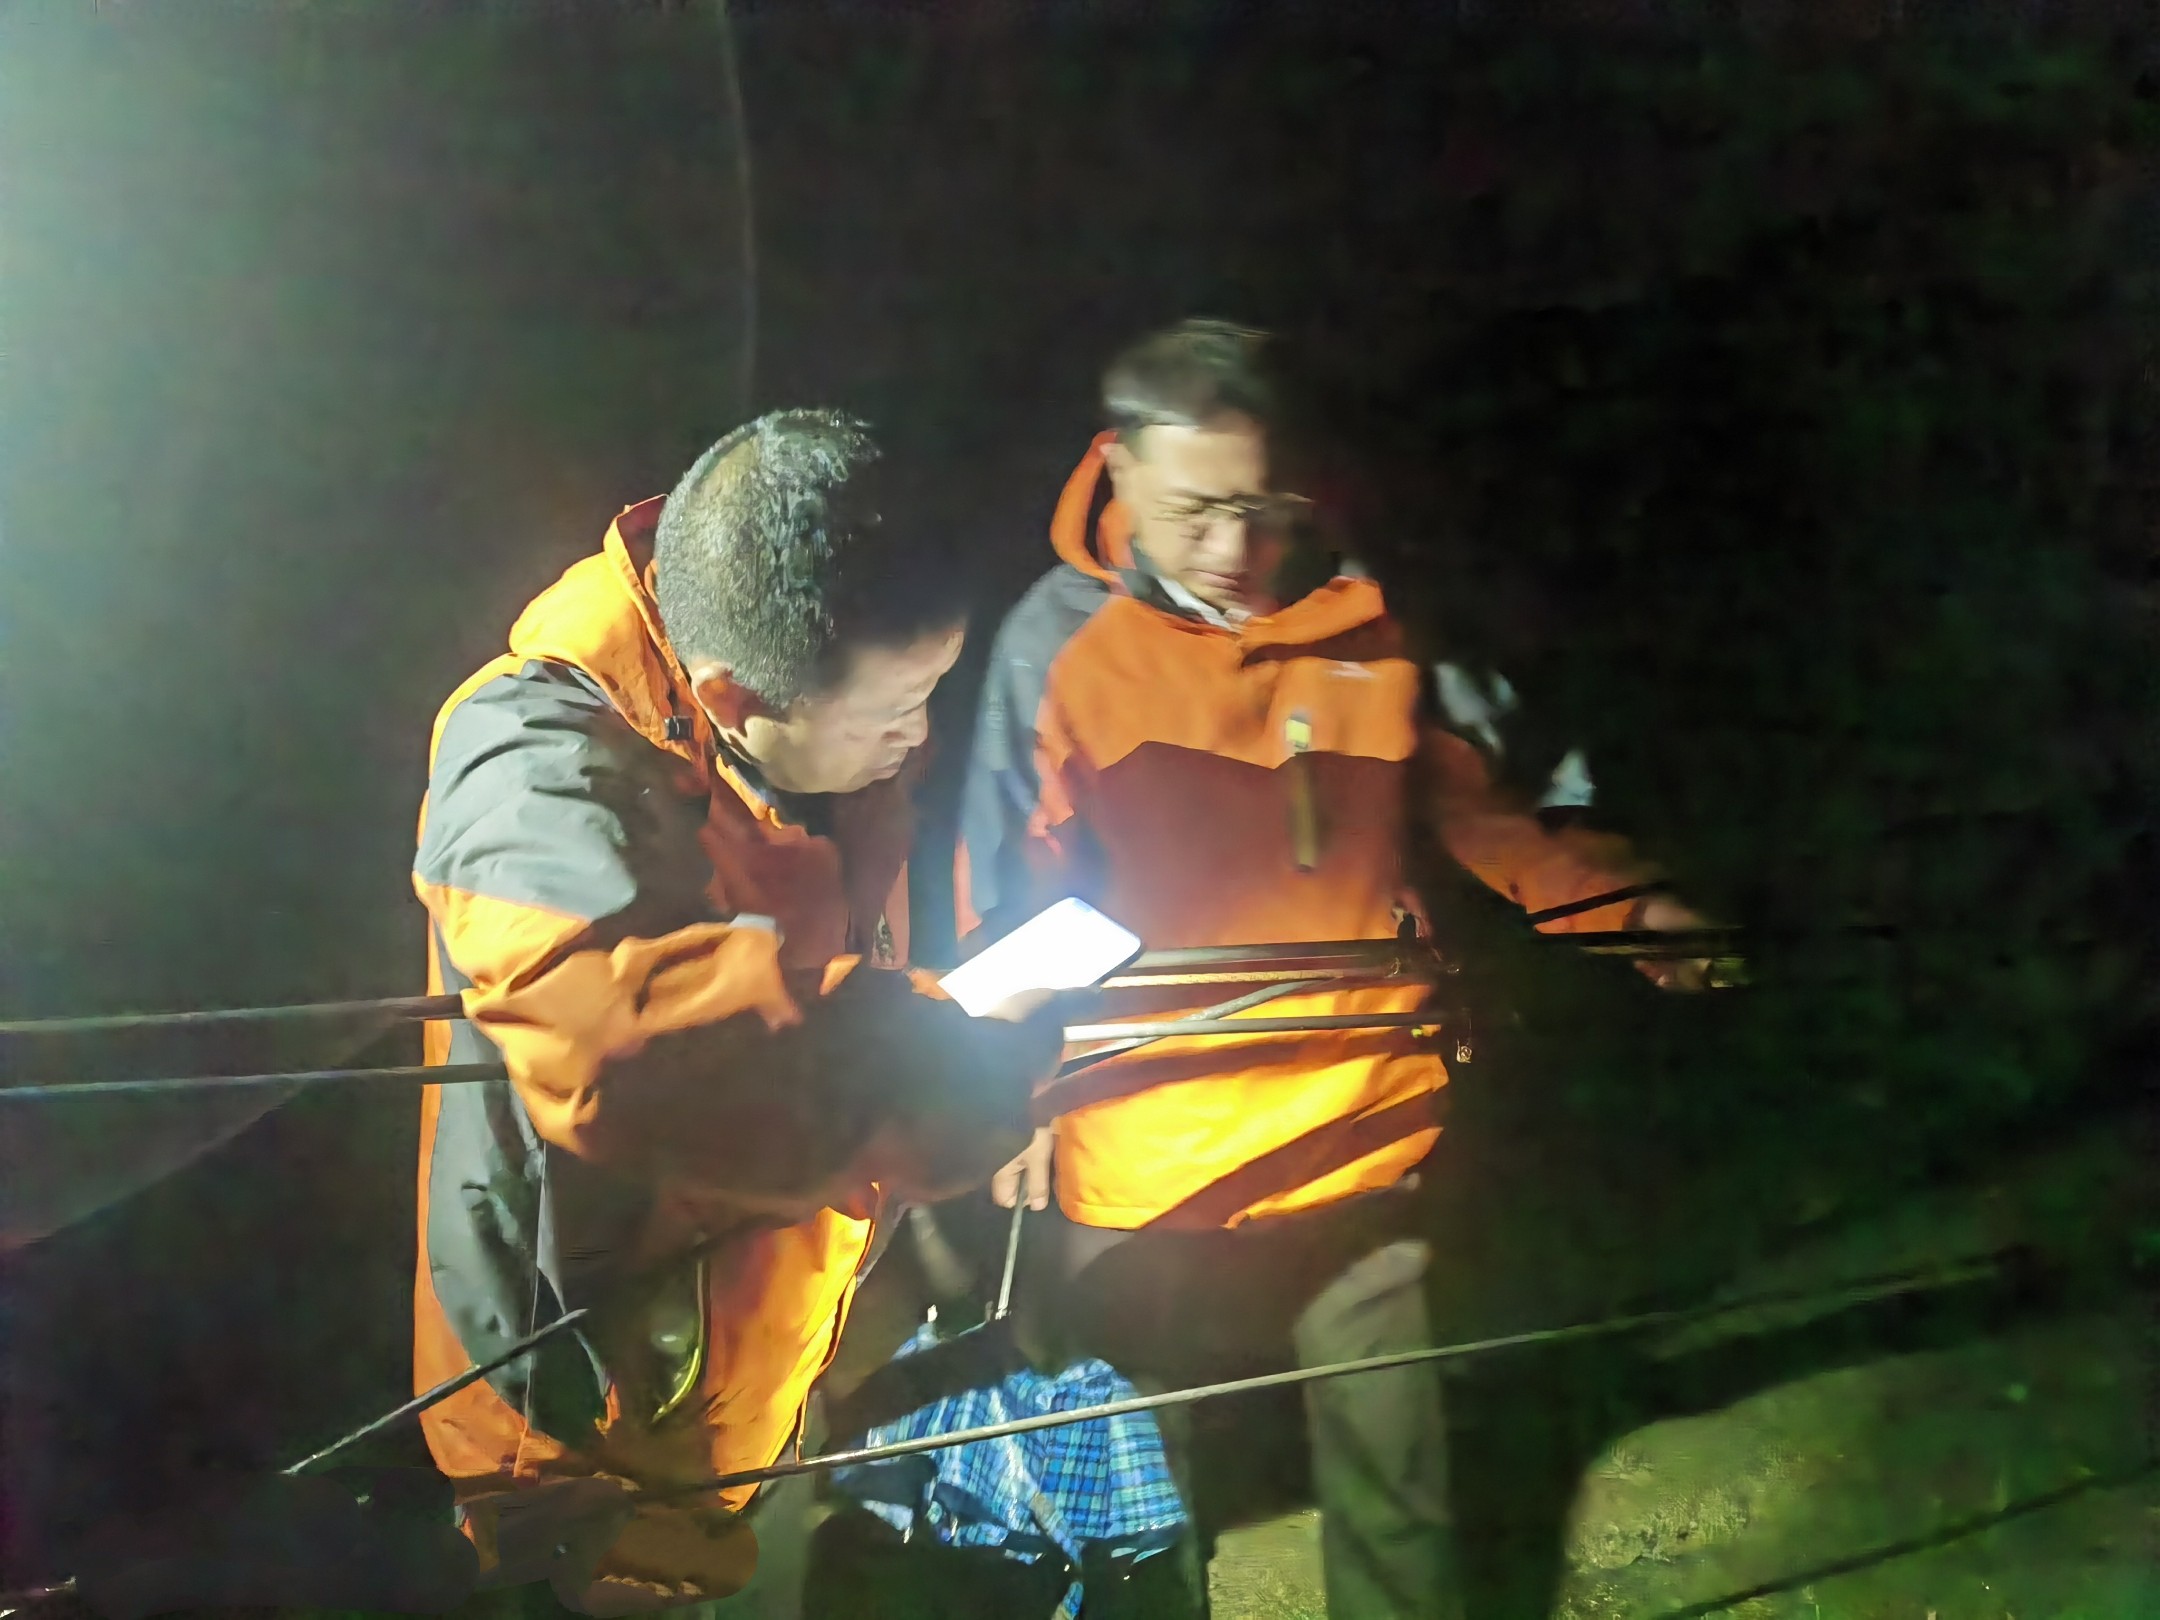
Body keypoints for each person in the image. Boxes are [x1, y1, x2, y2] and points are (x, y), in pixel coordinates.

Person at [955, 321, 1710, 1619]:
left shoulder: (1378, 620)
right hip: (1145, 1149)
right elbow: (1007, 889)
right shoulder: (1057, 647)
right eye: (1194, 510)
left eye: (1264, 508)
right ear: (1119, 468)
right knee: (1140, 1508)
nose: (1232, 549)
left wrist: (1635, 913)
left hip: (1362, 1121)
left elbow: (1496, 811)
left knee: (1398, 1488)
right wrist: (1002, 1092)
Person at [412, 410, 1065, 1616]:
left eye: (934, 691)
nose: (919, 735)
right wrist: (951, 1075)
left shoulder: (816, 724)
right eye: (895, 708)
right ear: (728, 692)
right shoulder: (530, 766)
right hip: (595, 1442)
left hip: (762, 1370)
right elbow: (632, 1051)